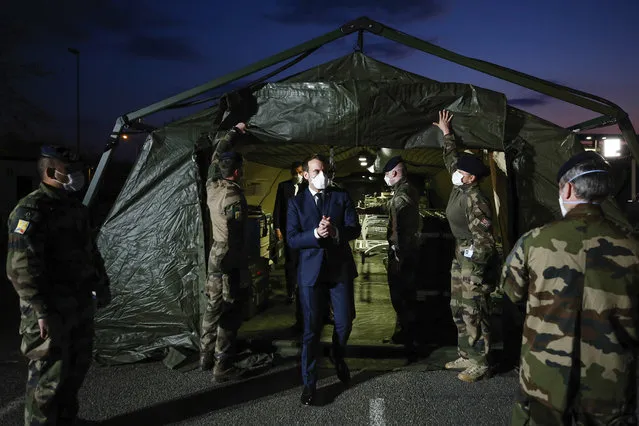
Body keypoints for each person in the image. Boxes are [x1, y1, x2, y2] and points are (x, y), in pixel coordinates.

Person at [501, 151, 639, 425]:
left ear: (569, 188)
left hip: (545, 379)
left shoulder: (533, 242)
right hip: (611, 380)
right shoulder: (633, 245)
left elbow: (511, 292)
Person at [6, 145, 111, 426]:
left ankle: (65, 419)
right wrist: (40, 310)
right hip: (49, 309)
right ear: (51, 172)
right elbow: (19, 268)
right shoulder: (30, 210)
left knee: (75, 367)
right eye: (70, 170)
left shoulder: (75, 208)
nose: (78, 175)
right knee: (47, 377)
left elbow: (90, 251)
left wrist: (101, 284)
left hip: (77, 303)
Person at [286, 154, 361, 405]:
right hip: (311, 273)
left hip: (339, 270)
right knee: (311, 331)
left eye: (325, 171)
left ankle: (338, 355)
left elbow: (354, 227)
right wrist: (315, 234)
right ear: (306, 175)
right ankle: (309, 383)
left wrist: (337, 231)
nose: (322, 175)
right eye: (316, 171)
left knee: (345, 322)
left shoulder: (341, 196)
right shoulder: (296, 203)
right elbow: (293, 239)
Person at [433, 110, 497, 382]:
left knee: (474, 309)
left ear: (471, 177)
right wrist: (447, 133)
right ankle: (466, 354)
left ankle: (481, 361)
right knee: (457, 306)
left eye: (461, 172)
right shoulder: (460, 188)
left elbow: (484, 241)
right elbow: (451, 159)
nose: (455, 173)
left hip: (473, 257)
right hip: (460, 254)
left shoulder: (476, 200)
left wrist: (477, 275)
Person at [199, 122, 250, 382]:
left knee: (212, 306)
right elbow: (236, 238)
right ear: (238, 172)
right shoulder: (234, 198)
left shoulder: (211, 186)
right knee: (230, 310)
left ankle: (205, 355)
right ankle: (223, 364)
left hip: (214, 256)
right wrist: (242, 272)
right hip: (229, 257)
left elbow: (217, 153)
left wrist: (233, 133)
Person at [382, 156, 421, 360]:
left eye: (387, 175)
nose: (386, 179)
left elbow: (397, 228)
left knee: (401, 297)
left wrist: (397, 254)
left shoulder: (402, 195)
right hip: (409, 251)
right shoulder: (408, 190)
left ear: (395, 173)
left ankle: (410, 340)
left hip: (402, 253)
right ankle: (406, 334)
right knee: (407, 296)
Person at [273, 161, 305, 326]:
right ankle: (290, 290)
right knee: (291, 262)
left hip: (305, 231)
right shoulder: (283, 186)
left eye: (300, 172)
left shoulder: (308, 187)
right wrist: (277, 227)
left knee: (304, 261)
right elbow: (278, 207)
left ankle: (303, 289)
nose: (298, 175)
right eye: (295, 172)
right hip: (289, 230)